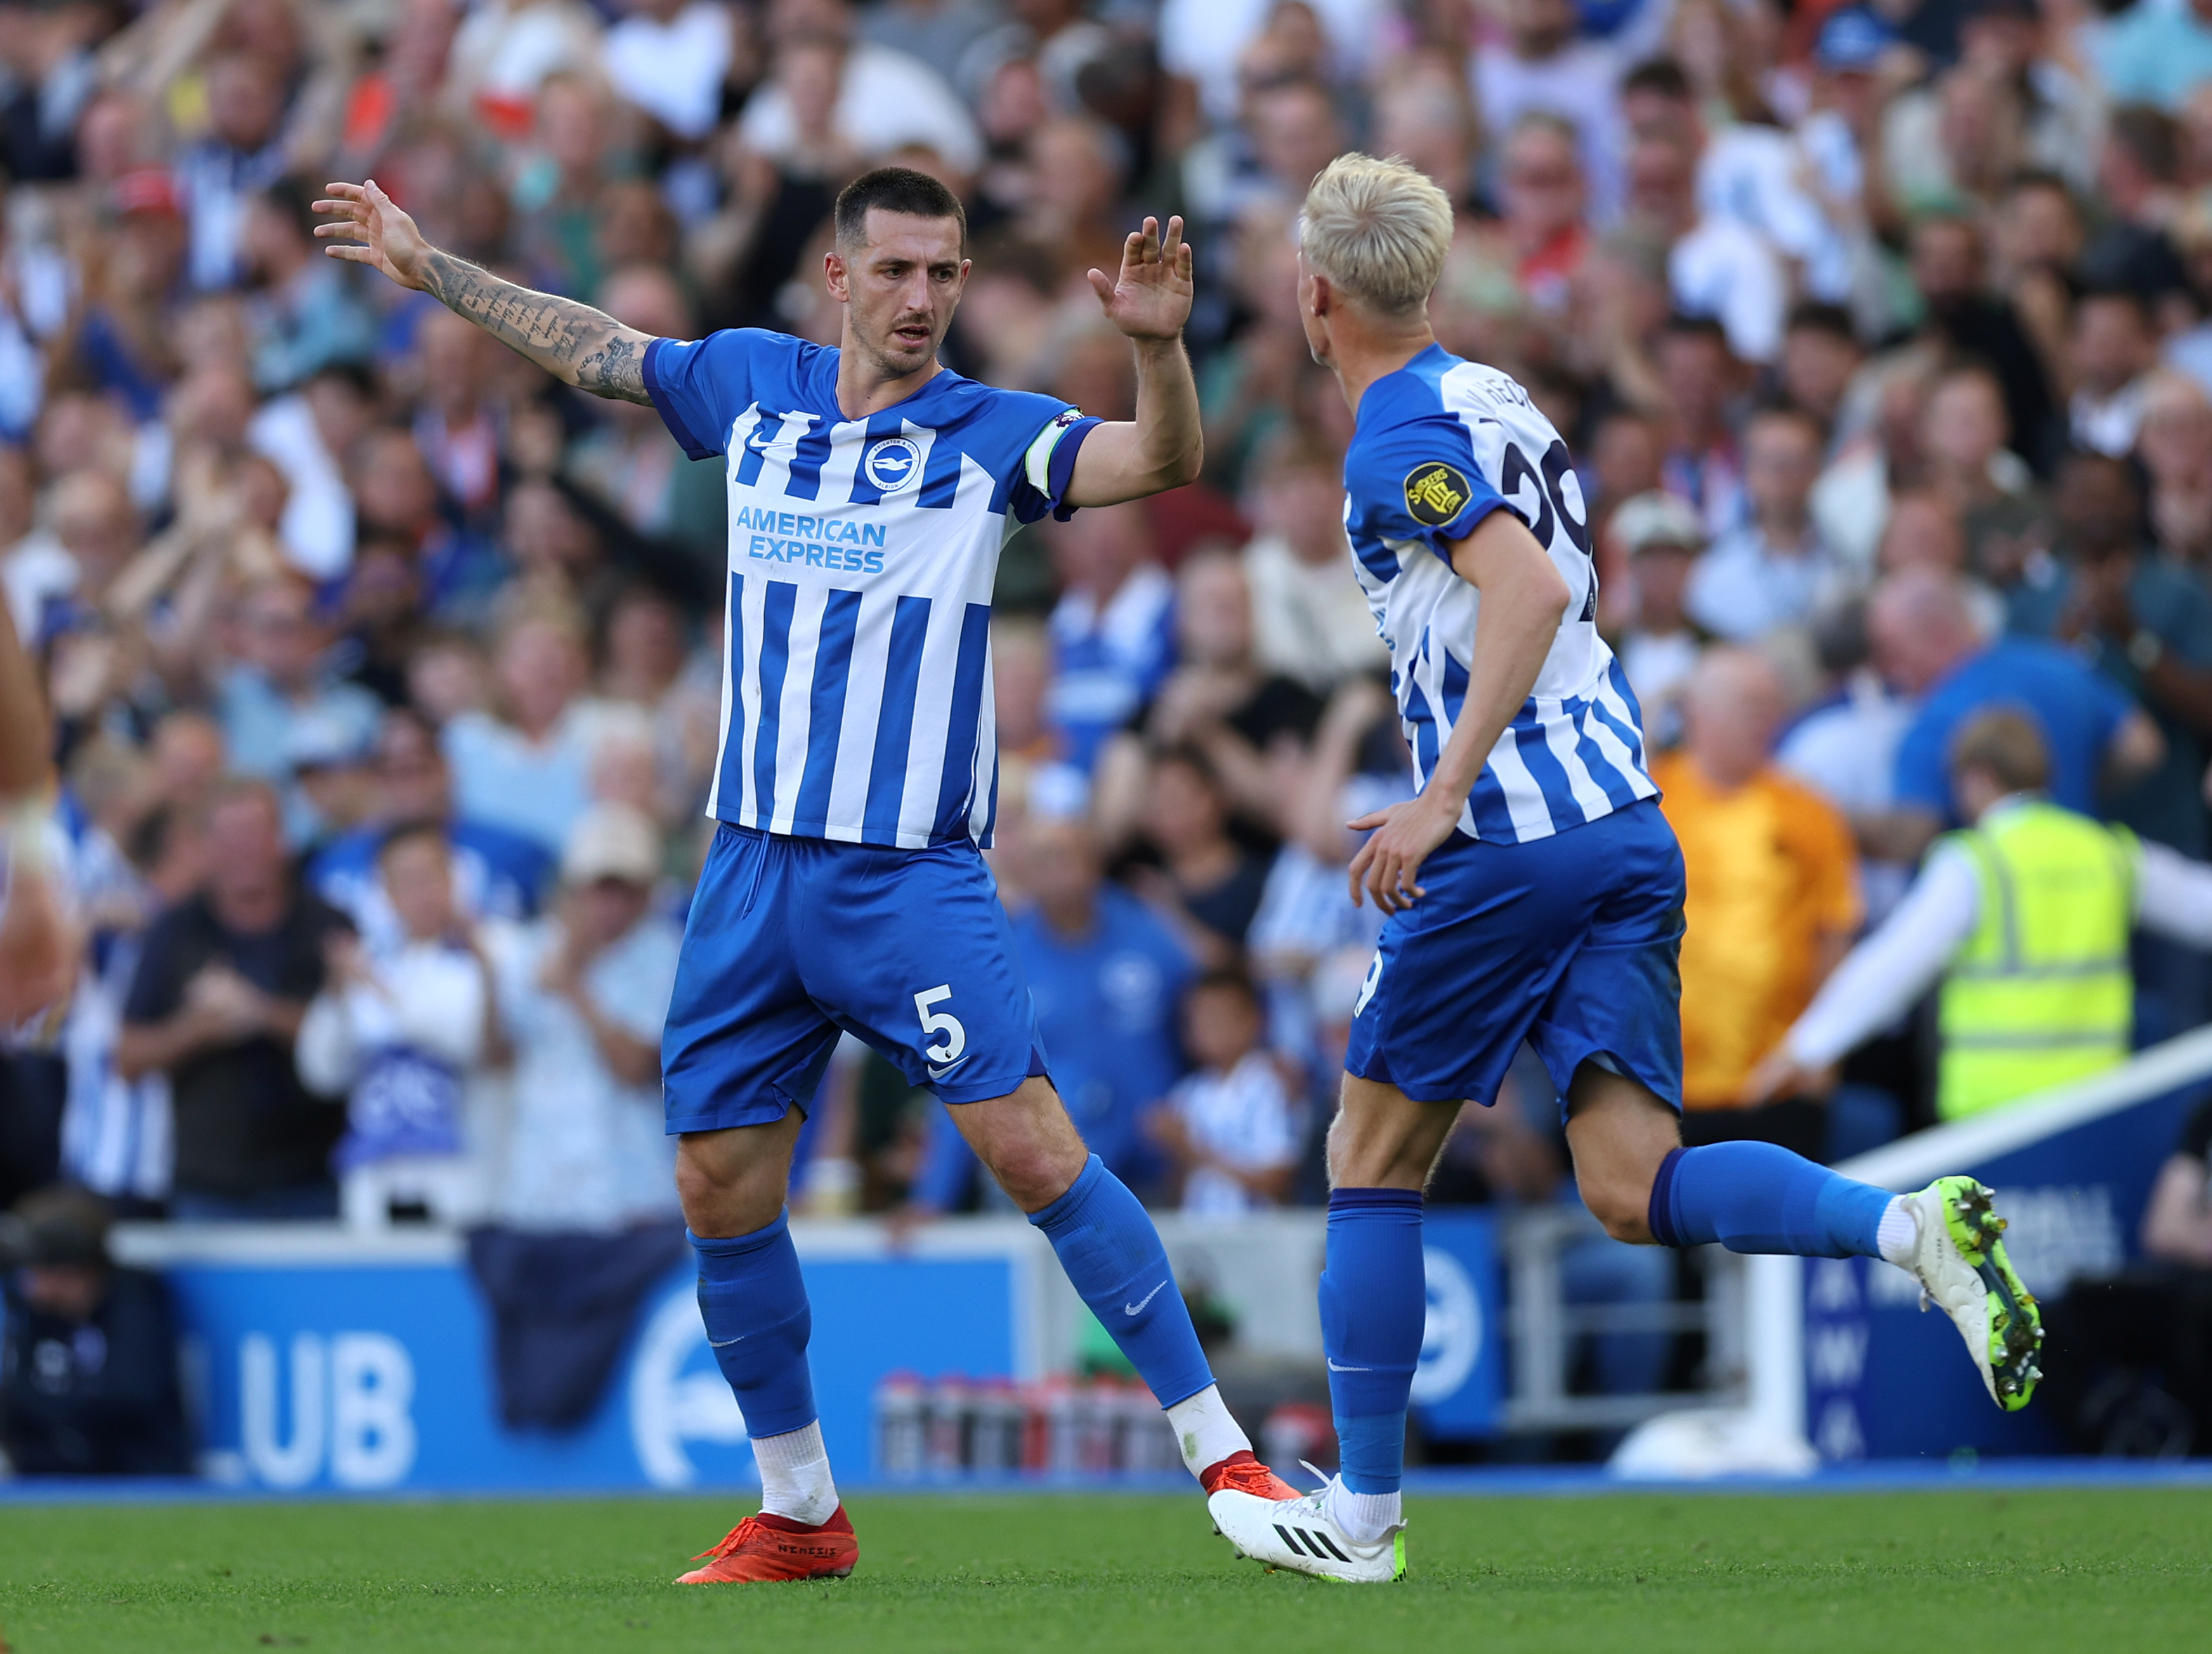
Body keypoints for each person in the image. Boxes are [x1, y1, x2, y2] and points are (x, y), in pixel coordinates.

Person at [314, 163, 1295, 1579]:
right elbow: (598, 349)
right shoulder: (750, 386)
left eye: (942, 274)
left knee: (1025, 1144)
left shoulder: (986, 433)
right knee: (717, 1181)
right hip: (748, 864)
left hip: (903, 878)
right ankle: (800, 1507)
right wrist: (430, 267)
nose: (919, 299)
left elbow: (1158, 462)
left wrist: (1152, 347)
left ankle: (1222, 1452)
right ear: (837, 277)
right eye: (893, 271)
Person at [1208, 154, 2045, 1584]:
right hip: (1619, 823)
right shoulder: (1502, 399)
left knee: (1366, 1153)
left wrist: (1439, 793)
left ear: (1314, 293)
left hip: (1511, 839)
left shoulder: (1390, 429)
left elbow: (1524, 589)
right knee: (1624, 1179)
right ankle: (1906, 1229)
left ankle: (1358, 1517)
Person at [1753, 710, 2212, 1120]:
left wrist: (1804, 1048)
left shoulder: (1974, 862)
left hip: (1994, 1118)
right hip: (2091, 1111)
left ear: (1978, 775)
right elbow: (2198, 904)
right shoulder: (2108, 851)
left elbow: (1893, 963)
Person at [1655, 648, 1861, 1158]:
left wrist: (1823, 1052)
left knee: (1780, 1234)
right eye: (1750, 705)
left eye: (1773, 705)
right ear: (1698, 712)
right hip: (1662, 1080)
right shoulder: (1646, 801)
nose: (1768, 720)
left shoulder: (1810, 812)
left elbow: (1833, 936)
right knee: (1670, 1225)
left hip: (1778, 1079)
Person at [116, 777, 352, 1221]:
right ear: (206, 846)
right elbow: (127, 1058)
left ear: (282, 838)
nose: (244, 849)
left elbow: (361, 1044)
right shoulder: (174, 931)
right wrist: (198, 1028)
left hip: (317, 1179)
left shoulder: (328, 924)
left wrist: (262, 1013)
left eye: (256, 833)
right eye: (229, 836)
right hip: (211, 1186)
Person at [1867, 565, 2165, 867]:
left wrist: (1828, 818)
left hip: (1999, 897)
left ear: (1937, 632)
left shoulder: (1934, 724)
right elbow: (2142, 747)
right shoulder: (2058, 667)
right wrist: (2073, 783)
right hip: (2091, 874)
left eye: (1891, 651)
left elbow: (1911, 836)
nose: (1888, 672)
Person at [296, 824, 505, 1230]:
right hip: (374, 1186)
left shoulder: (490, 956)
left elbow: (475, 1046)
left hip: (462, 1184)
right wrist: (337, 999)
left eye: (430, 876)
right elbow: (321, 1073)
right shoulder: (368, 964)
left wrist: (379, 991)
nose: (420, 892)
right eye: (405, 881)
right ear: (385, 893)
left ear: (454, 879)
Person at [0, 1185, 190, 1476]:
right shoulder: (35, 1315)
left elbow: (133, 1396)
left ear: (72, 1271)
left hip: (137, 1476)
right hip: (49, 1476)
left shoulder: (137, 1304)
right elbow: (16, 1400)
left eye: (38, 1271)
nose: (29, 1286)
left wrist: (51, 1408)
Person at [1146, 969, 1301, 1217]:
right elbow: (1178, 1193)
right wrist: (1171, 1147)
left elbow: (1277, 1181)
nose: (1209, 1029)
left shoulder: (1268, 1084)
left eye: (1220, 1018)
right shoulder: (1187, 1094)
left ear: (1253, 1021)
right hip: (1199, 1239)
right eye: (1200, 1020)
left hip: (1255, 1238)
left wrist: (1191, 1147)